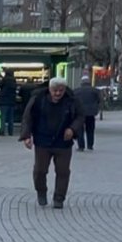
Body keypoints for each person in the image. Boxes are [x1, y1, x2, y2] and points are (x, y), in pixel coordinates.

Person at [19, 77, 84, 209]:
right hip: (42, 141)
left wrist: (72, 129)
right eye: (55, 90)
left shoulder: (72, 100)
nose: (58, 93)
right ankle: (41, 192)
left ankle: (59, 198)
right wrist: (26, 136)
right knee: (39, 171)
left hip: (63, 143)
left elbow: (80, 116)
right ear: (49, 89)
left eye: (61, 90)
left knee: (63, 171)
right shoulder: (38, 99)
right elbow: (28, 117)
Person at [73, 76, 102, 151]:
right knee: (90, 129)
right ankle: (90, 145)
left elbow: (72, 101)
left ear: (81, 82)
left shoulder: (76, 91)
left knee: (80, 130)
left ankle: (81, 146)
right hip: (91, 113)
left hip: (80, 113)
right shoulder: (95, 90)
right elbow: (99, 100)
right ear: (89, 82)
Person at [0, 70, 18, 136]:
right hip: (11, 102)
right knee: (11, 118)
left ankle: (2, 131)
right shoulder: (14, 81)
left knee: (3, 117)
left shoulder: (5, 79)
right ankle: (10, 132)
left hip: (4, 101)